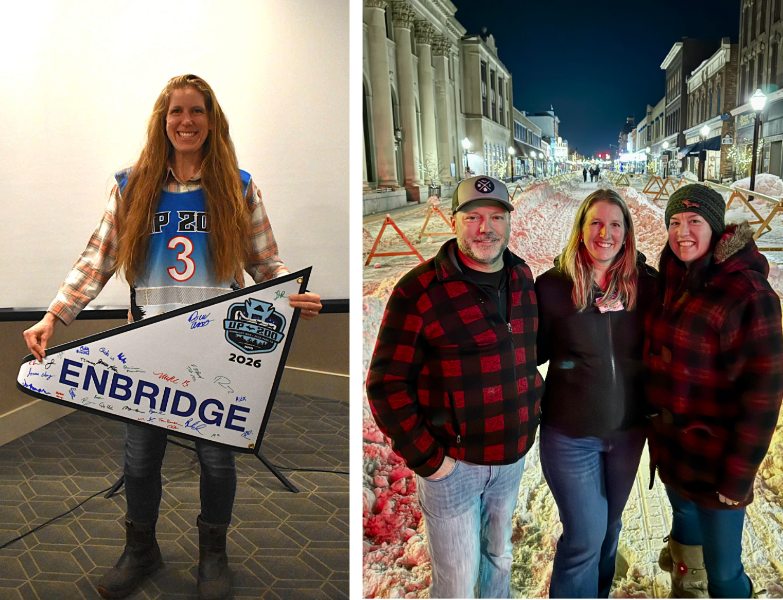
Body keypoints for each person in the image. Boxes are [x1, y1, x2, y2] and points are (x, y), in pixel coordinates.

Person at [22, 74, 322, 600]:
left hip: (216, 353)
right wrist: (55, 315)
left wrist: (288, 291)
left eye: (197, 111)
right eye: (176, 112)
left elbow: (263, 260)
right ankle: (141, 548)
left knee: (217, 459)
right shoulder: (131, 185)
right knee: (139, 460)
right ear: (163, 121)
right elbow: (97, 260)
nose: (186, 121)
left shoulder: (238, 185)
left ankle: (214, 554)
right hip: (148, 347)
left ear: (212, 120)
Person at [366, 176, 544, 599]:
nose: (486, 228)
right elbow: (385, 385)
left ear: (508, 223)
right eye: (474, 217)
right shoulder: (419, 291)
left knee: (499, 556)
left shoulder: (521, 278)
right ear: (454, 221)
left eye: (496, 217)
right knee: (459, 580)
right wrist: (429, 460)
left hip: (510, 457)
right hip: (453, 466)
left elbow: (525, 357)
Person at [644, 184, 783, 598]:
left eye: (694, 221)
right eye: (674, 221)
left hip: (717, 464)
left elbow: (763, 395)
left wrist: (739, 475)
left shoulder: (748, 293)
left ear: (717, 229)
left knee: (724, 573)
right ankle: (686, 588)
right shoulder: (673, 276)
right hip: (675, 454)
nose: (682, 231)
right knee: (686, 539)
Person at [534, 189, 656, 598]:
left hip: (626, 435)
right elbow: (529, 353)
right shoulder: (552, 287)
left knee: (610, 528)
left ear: (627, 232)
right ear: (581, 229)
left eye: (616, 224)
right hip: (570, 435)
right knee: (585, 535)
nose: (606, 233)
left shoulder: (647, 285)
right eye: (596, 223)